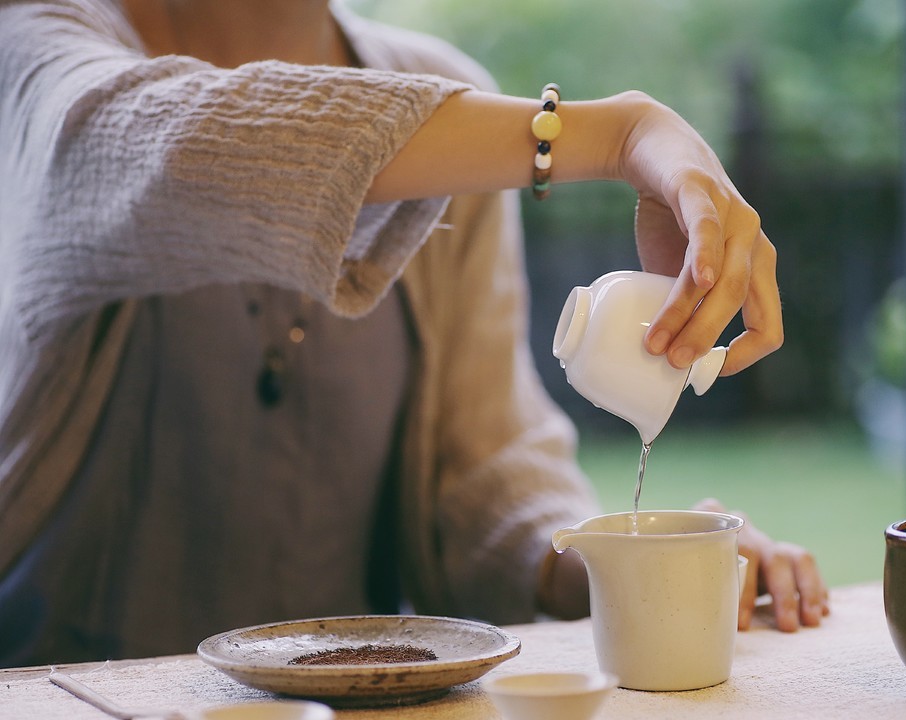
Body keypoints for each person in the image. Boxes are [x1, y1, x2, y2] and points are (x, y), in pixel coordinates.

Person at [0, 0, 828, 666]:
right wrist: (615, 133)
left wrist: (627, 564)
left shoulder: (446, 93)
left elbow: (481, 478)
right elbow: (161, 144)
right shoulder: (37, 48)